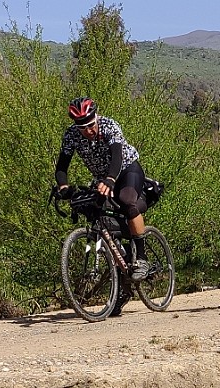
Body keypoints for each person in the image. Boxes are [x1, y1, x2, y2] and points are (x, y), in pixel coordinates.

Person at [55, 97, 150, 314]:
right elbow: (62, 165)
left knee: (127, 202)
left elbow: (117, 156)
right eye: (82, 127)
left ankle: (142, 257)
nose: (87, 130)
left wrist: (110, 180)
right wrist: (63, 186)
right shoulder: (71, 136)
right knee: (100, 221)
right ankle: (122, 286)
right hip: (102, 177)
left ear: (95, 117)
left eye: (90, 124)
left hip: (126, 170)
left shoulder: (109, 125)